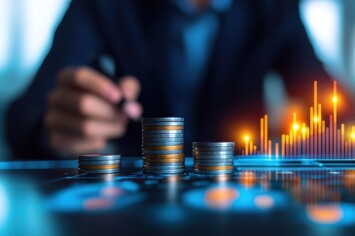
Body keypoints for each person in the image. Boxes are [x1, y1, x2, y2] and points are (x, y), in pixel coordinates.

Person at [6, 0, 331, 159]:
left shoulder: (275, 7)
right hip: (128, 217)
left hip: (240, 202)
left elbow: (331, 109)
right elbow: (22, 118)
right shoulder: (100, 5)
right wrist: (57, 132)